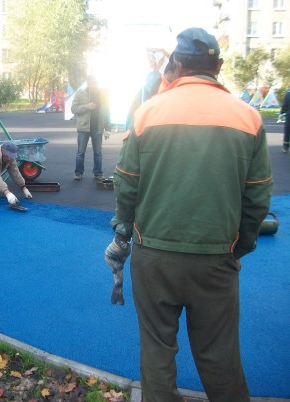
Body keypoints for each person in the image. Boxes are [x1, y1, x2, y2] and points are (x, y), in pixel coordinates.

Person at [104, 27, 272, 401]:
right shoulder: (248, 117)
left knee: (157, 351)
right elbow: (258, 197)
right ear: (219, 66)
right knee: (220, 356)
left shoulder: (148, 113)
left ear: (176, 65)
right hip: (216, 258)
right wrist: (239, 247)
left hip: (154, 257)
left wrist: (123, 234)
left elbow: (126, 184)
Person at [71, 75, 110, 181]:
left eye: (96, 83)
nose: (94, 85)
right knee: (80, 152)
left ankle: (98, 173)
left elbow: (107, 111)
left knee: (98, 153)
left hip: (98, 127)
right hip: (84, 128)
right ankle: (78, 173)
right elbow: (73, 109)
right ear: (88, 84)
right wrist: (87, 106)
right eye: (92, 83)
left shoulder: (103, 94)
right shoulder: (80, 93)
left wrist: (108, 128)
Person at [279, 88, 289, 153]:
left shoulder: (288, 94)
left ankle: (285, 146)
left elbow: (284, 105)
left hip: (289, 115)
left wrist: (281, 113)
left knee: (287, 131)